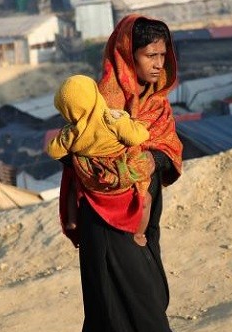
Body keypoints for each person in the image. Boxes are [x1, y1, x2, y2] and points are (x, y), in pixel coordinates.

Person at [53, 15, 193, 332]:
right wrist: (108, 171)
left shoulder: (157, 104)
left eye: (163, 56)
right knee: (137, 299)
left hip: (144, 212)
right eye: (150, 55)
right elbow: (74, 151)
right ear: (127, 54)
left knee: (144, 294)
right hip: (105, 214)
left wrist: (151, 158)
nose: (158, 64)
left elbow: (170, 150)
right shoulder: (99, 101)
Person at [45, 74, 154, 245]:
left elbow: (53, 151)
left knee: (73, 185)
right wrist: (132, 123)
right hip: (120, 173)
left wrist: (66, 134)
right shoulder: (111, 120)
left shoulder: (72, 133)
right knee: (145, 199)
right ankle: (139, 234)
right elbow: (136, 137)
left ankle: (72, 219)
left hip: (93, 181)